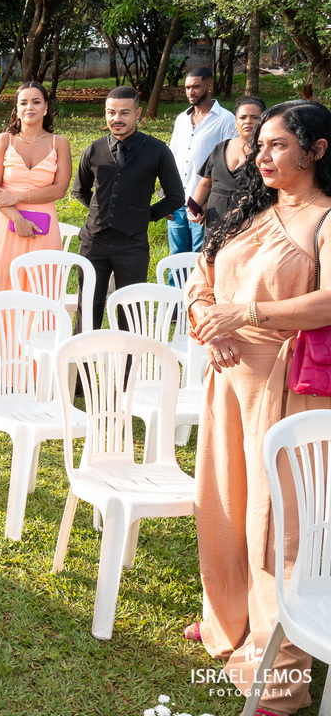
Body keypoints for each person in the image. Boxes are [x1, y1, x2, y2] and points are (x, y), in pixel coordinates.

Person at [186, 99, 331, 716]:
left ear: (316, 151)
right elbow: (203, 275)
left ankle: (281, 669)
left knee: (279, 524)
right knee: (222, 501)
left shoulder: (325, 220)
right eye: (262, 144)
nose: (263, 155)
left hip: (285, 385)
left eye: (278, 145)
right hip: (226, 377)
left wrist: (246, 315)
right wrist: (207, 322)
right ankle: (228, 617)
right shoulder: (251, 208)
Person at [0, 81, 72, 394]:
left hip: (43, 230)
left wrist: (20, 197)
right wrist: (16, 217)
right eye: (23, 103)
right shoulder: (3, 140)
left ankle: (32, 373)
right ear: (17, 108)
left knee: (38, 296)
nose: (30, 108)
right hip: (4, 229)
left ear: (46, 107)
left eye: (36, 102)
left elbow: (59, 189)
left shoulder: (59, 143)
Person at [72, 86, 185, 331]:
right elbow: (79, 190)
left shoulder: (157, 150)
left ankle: (127, 369)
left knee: (130, 314)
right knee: (87, 311)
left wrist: (144, 215)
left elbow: (176, 196)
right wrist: (98, 210)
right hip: (94, 243)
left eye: (124, 113)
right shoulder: (94, 149)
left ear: (138, 113)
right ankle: (81, 369)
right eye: (111, 113)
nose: (117, 119)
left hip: (132, 245)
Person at [167, 67, 238, 254]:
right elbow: (172, 158)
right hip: (177, 202)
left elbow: (228, 163)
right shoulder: (181, 119)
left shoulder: (226, 119)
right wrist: (167, 198)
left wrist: (208, 201)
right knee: (177, 258)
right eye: (187, 88)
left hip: (204, 203)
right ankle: (176, 286)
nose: (190, 92)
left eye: (196, 87)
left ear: (209, 86)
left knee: (201, 257)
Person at [189, 96, 266, 233]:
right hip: (214, 219)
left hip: (249, 220)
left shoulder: (266, 154)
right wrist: (195, 207)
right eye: (242, 118)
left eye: (254, 117)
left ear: (264, 121)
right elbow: (206, 182)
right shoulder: (221, 148)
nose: (248, 121)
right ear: (236, 122)